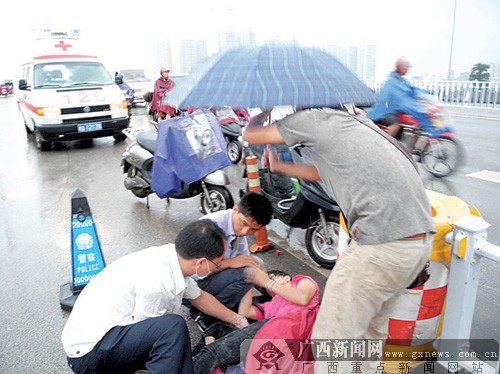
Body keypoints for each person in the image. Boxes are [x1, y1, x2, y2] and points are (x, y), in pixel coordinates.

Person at [242, 107, 435, 372]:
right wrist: (280, 167)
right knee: (370, 332)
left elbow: (250, 134)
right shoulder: (357, 124)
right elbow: (323, 172)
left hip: (380, 246)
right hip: (416, 245)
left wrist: (263, 110)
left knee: (331, 339)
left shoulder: (313, 117)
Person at [61, 220, 249, 374]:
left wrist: (238, 320)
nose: (218, 267)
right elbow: (152, 339)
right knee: (172, 328)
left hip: (106, 338)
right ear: (200, 262)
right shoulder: (157, 281)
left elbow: (200, 297)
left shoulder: (172, 258)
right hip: (88, 356)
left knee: (174, 340)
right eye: (217, 264)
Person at [192, 268, 320, 374]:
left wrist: (267, 282)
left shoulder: (300, 281)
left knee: (211, 353)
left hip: (292, 330)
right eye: (263, 288)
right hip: (273, 334)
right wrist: (249, 284)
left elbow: (303, 298)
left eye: (272, 278)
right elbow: (244, 313)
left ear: (287, 278)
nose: (266, 286)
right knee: (215, 329)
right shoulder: (270, 306)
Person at [188, 192, 273, 329]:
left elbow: (248, 262)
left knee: (256, 264)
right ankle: (203, 311)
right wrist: (229, 263)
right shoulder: (209, 227)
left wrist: (270, 285)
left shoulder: (237, 228)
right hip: (193, 287)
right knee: (245, 273)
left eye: (253, 229)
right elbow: (194, 271)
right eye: (244, 223)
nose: (245, 231)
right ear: (235, 209)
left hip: (215, 278)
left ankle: (224, 309)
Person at [367, 56, 438, 138]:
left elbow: (412, 90)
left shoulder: (401, 81)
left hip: (394, 110)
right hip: (384, 111)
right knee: (396, 124)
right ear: (399, 67)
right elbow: (402, 99)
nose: (407, 68)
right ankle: (387, 143)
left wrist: (428, 93)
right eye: (405, 66)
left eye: (407, 66)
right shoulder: (392, 81)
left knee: (412, 121)